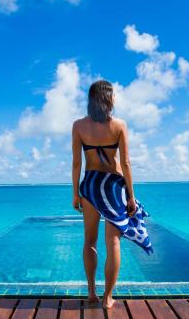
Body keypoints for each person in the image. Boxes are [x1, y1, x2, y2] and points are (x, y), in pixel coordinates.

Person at [72, 80, 153, 309]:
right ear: (107, 98)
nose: (115, 98)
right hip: (113, 187)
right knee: (113, 242)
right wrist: (130, 196)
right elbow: (126, 163)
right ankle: (108, 297)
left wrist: (75, 193)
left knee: (89, 241)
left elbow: (77, 163)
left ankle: (91, 293)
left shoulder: (78, 126)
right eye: (114, 95)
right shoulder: (119, 125)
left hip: (90, 185)